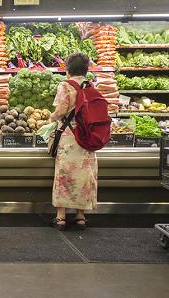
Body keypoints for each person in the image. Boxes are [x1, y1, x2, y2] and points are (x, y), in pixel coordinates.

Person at [50, 52, 98, 231]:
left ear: (68, 68)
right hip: (87, 137)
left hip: (70, 138)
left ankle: (61, 217)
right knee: (84, 175)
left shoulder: (65, 85)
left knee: (64, 174)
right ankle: (80, 216)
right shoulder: (90, 85)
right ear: (86, 69)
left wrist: (50, 118)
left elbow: (61, 111)